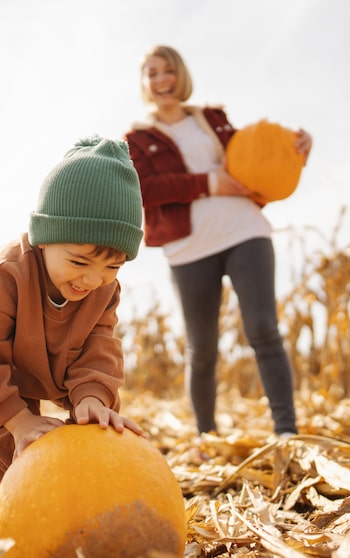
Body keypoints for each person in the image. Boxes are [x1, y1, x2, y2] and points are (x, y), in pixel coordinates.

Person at [0, 136, 145, 532]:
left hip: (56, 360)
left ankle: (82, 506)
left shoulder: (102, 288)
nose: (93, 279)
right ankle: (2, 519)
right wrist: (18, 421)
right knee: (12, 446)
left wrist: (91, 396)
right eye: (79, 261)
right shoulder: (1, 277)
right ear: (44, 236)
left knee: (95, 424)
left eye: (113, 267)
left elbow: (100, 345)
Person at [124, 45, 312, 437]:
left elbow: (254, 160)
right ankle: (206, 437)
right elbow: (142, 187)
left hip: (245, 230)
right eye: (152, 73)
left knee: (263, 329)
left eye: (168, 71)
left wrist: (294, 151)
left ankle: (287, 433)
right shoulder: (137, 139)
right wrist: (208, 183)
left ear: (181, 75)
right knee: (203, 350)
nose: (162, 80)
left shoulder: (212, 117)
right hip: (188, 248)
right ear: (144, 84)